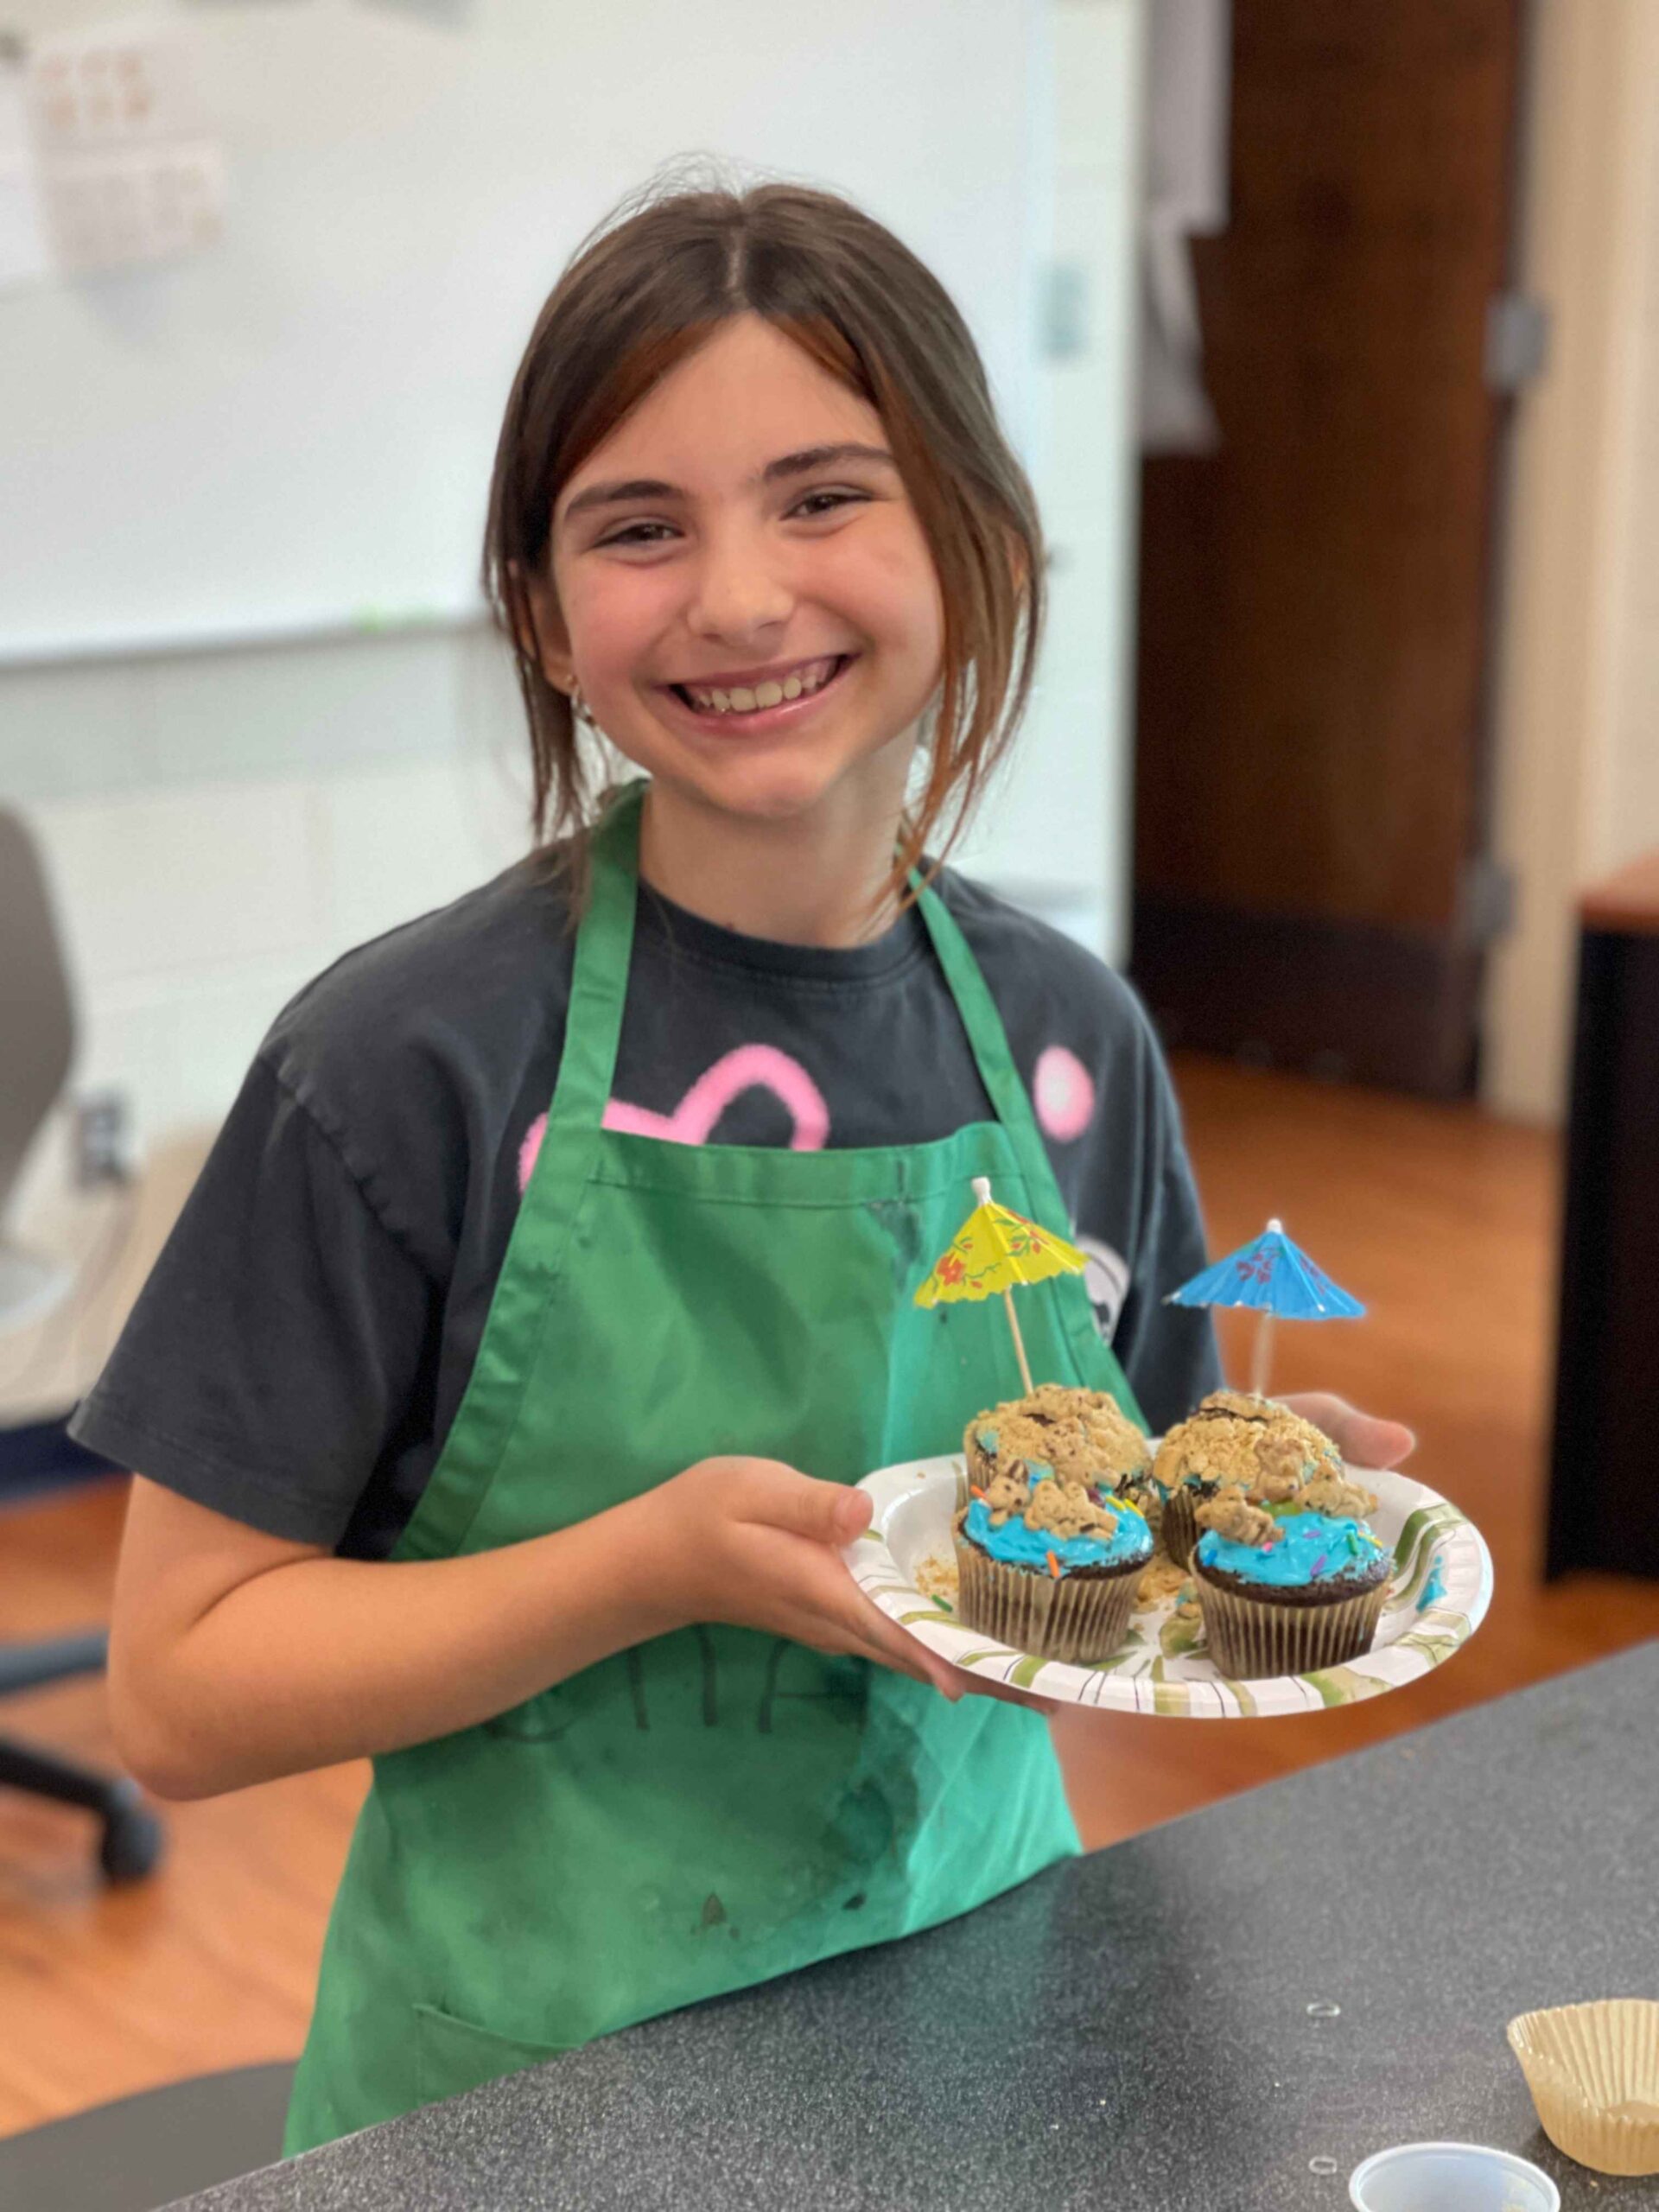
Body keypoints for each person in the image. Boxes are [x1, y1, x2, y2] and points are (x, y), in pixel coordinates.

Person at [73, 177, 1413, 2153]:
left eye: (822, 495)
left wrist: (1280, 1521)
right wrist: (645, 1565)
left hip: (991, 2024)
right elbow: (179, 1692)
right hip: (525, 2097)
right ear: (542, 611)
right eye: (639, 526)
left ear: (974, 540)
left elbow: (1108, 1566)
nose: (738, 595)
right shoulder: (404, 1067)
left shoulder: (1074, 1045)